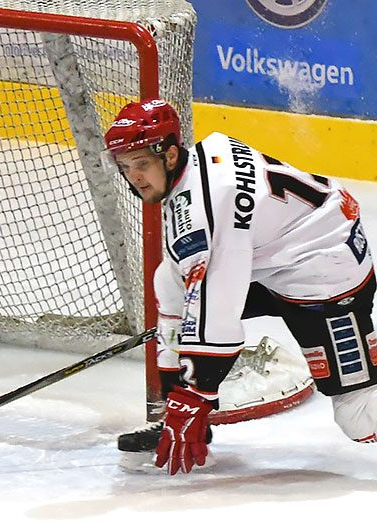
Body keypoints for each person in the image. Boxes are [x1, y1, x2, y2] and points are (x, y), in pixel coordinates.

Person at [104, 98, 377, 474]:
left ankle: (185, 407)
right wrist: (184, 399)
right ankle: (174, 412)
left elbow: (218, 309)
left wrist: (197, 396)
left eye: (141, 164)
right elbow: (198, 291)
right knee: (170, 281)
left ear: (168, 155)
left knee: (358, 414)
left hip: (326, 272)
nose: (134, 176)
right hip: (282, 255)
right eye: (125, 166)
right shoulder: (199, 163)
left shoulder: (205, 209)